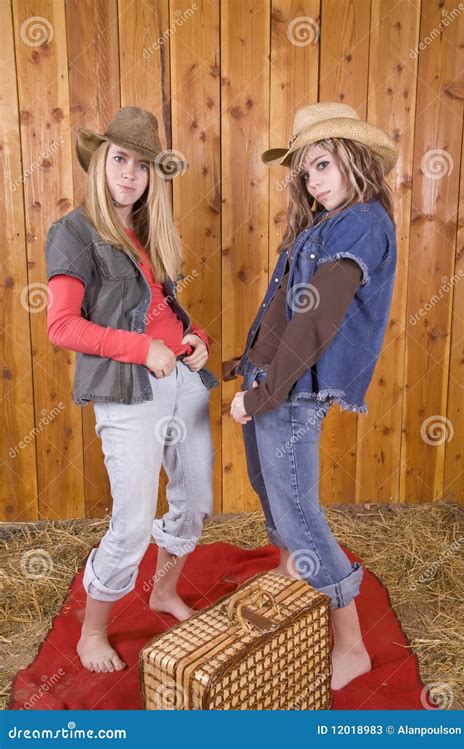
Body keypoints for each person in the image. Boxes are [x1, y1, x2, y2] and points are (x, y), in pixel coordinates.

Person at [225, 102, 398, 690]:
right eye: (305, 171)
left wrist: (267, 392)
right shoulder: (320, 225)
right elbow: (283, 312)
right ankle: (291, 575)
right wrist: (244, 367)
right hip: (273, 379)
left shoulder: (362, 222)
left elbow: (317, 320)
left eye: (322, 165)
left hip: (296, 390)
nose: (312, 180)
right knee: (270, 490)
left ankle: (351, 645)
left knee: (298, 509)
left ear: (356, 160)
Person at [45, 107, 218, 673]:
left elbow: (162, 310)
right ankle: (92, 632)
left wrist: (196, 337)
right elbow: (62, 326)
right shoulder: (73, 233)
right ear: (99, 162)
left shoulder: (146, 232)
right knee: (134, 521)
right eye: (120, 159)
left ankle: (164, 592)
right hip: (128, 391)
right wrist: (145, 350)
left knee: (194, 503)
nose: (129, 175)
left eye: (142, 166)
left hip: (182, 382)